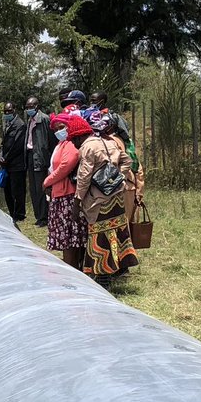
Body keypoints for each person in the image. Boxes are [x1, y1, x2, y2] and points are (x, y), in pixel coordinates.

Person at [76, 112, 138, 282]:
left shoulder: (88, 146)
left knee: (100, 234)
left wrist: (78, 199)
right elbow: (128, 161)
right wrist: (117, 176)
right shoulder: (112, 142)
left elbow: (84, 176)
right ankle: (118, 269)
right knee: (117, 230)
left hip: (99, 198)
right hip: (116, 195)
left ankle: (103, 275)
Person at [42, 112, 91, 269]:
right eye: (56, 129)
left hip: (67, 196)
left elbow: (66, 165)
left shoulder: (70, 145)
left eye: (62, 127)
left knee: (70, 238)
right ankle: (73, 268)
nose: (59, 131)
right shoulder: (60, 145)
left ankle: (73, 270)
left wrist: (47, 181)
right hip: (59, 194)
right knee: (67, 238)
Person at [90, 90, 142, 222]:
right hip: (117, 187)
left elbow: (131, 163)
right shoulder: (107, 141)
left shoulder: (114, 141)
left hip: (119, 187)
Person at [23, 95, 54, 226]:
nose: (29, 109)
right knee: (33, 189)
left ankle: (44, 218)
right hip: (30, 155)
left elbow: (51, 140)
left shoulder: (45, 120)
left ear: (37, 106)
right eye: (27, 107)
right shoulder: (30, 120)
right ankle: (38, 216)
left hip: (41, 157)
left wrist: (49, 158)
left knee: (41, 189)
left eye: (31, 107)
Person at [0, 102, 27, 223]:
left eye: (9, 111)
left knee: (17, 190)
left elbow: (17, 145)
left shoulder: (20, 125)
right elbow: (3, 144)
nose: (7, 113)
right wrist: (0, 156)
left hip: (17, 163)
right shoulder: (6, 124)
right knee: (7, 189)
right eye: (5, 112)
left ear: (14, 110)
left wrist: (7, 158)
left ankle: (19, 214)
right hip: (6, 164)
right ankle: (11, 212)